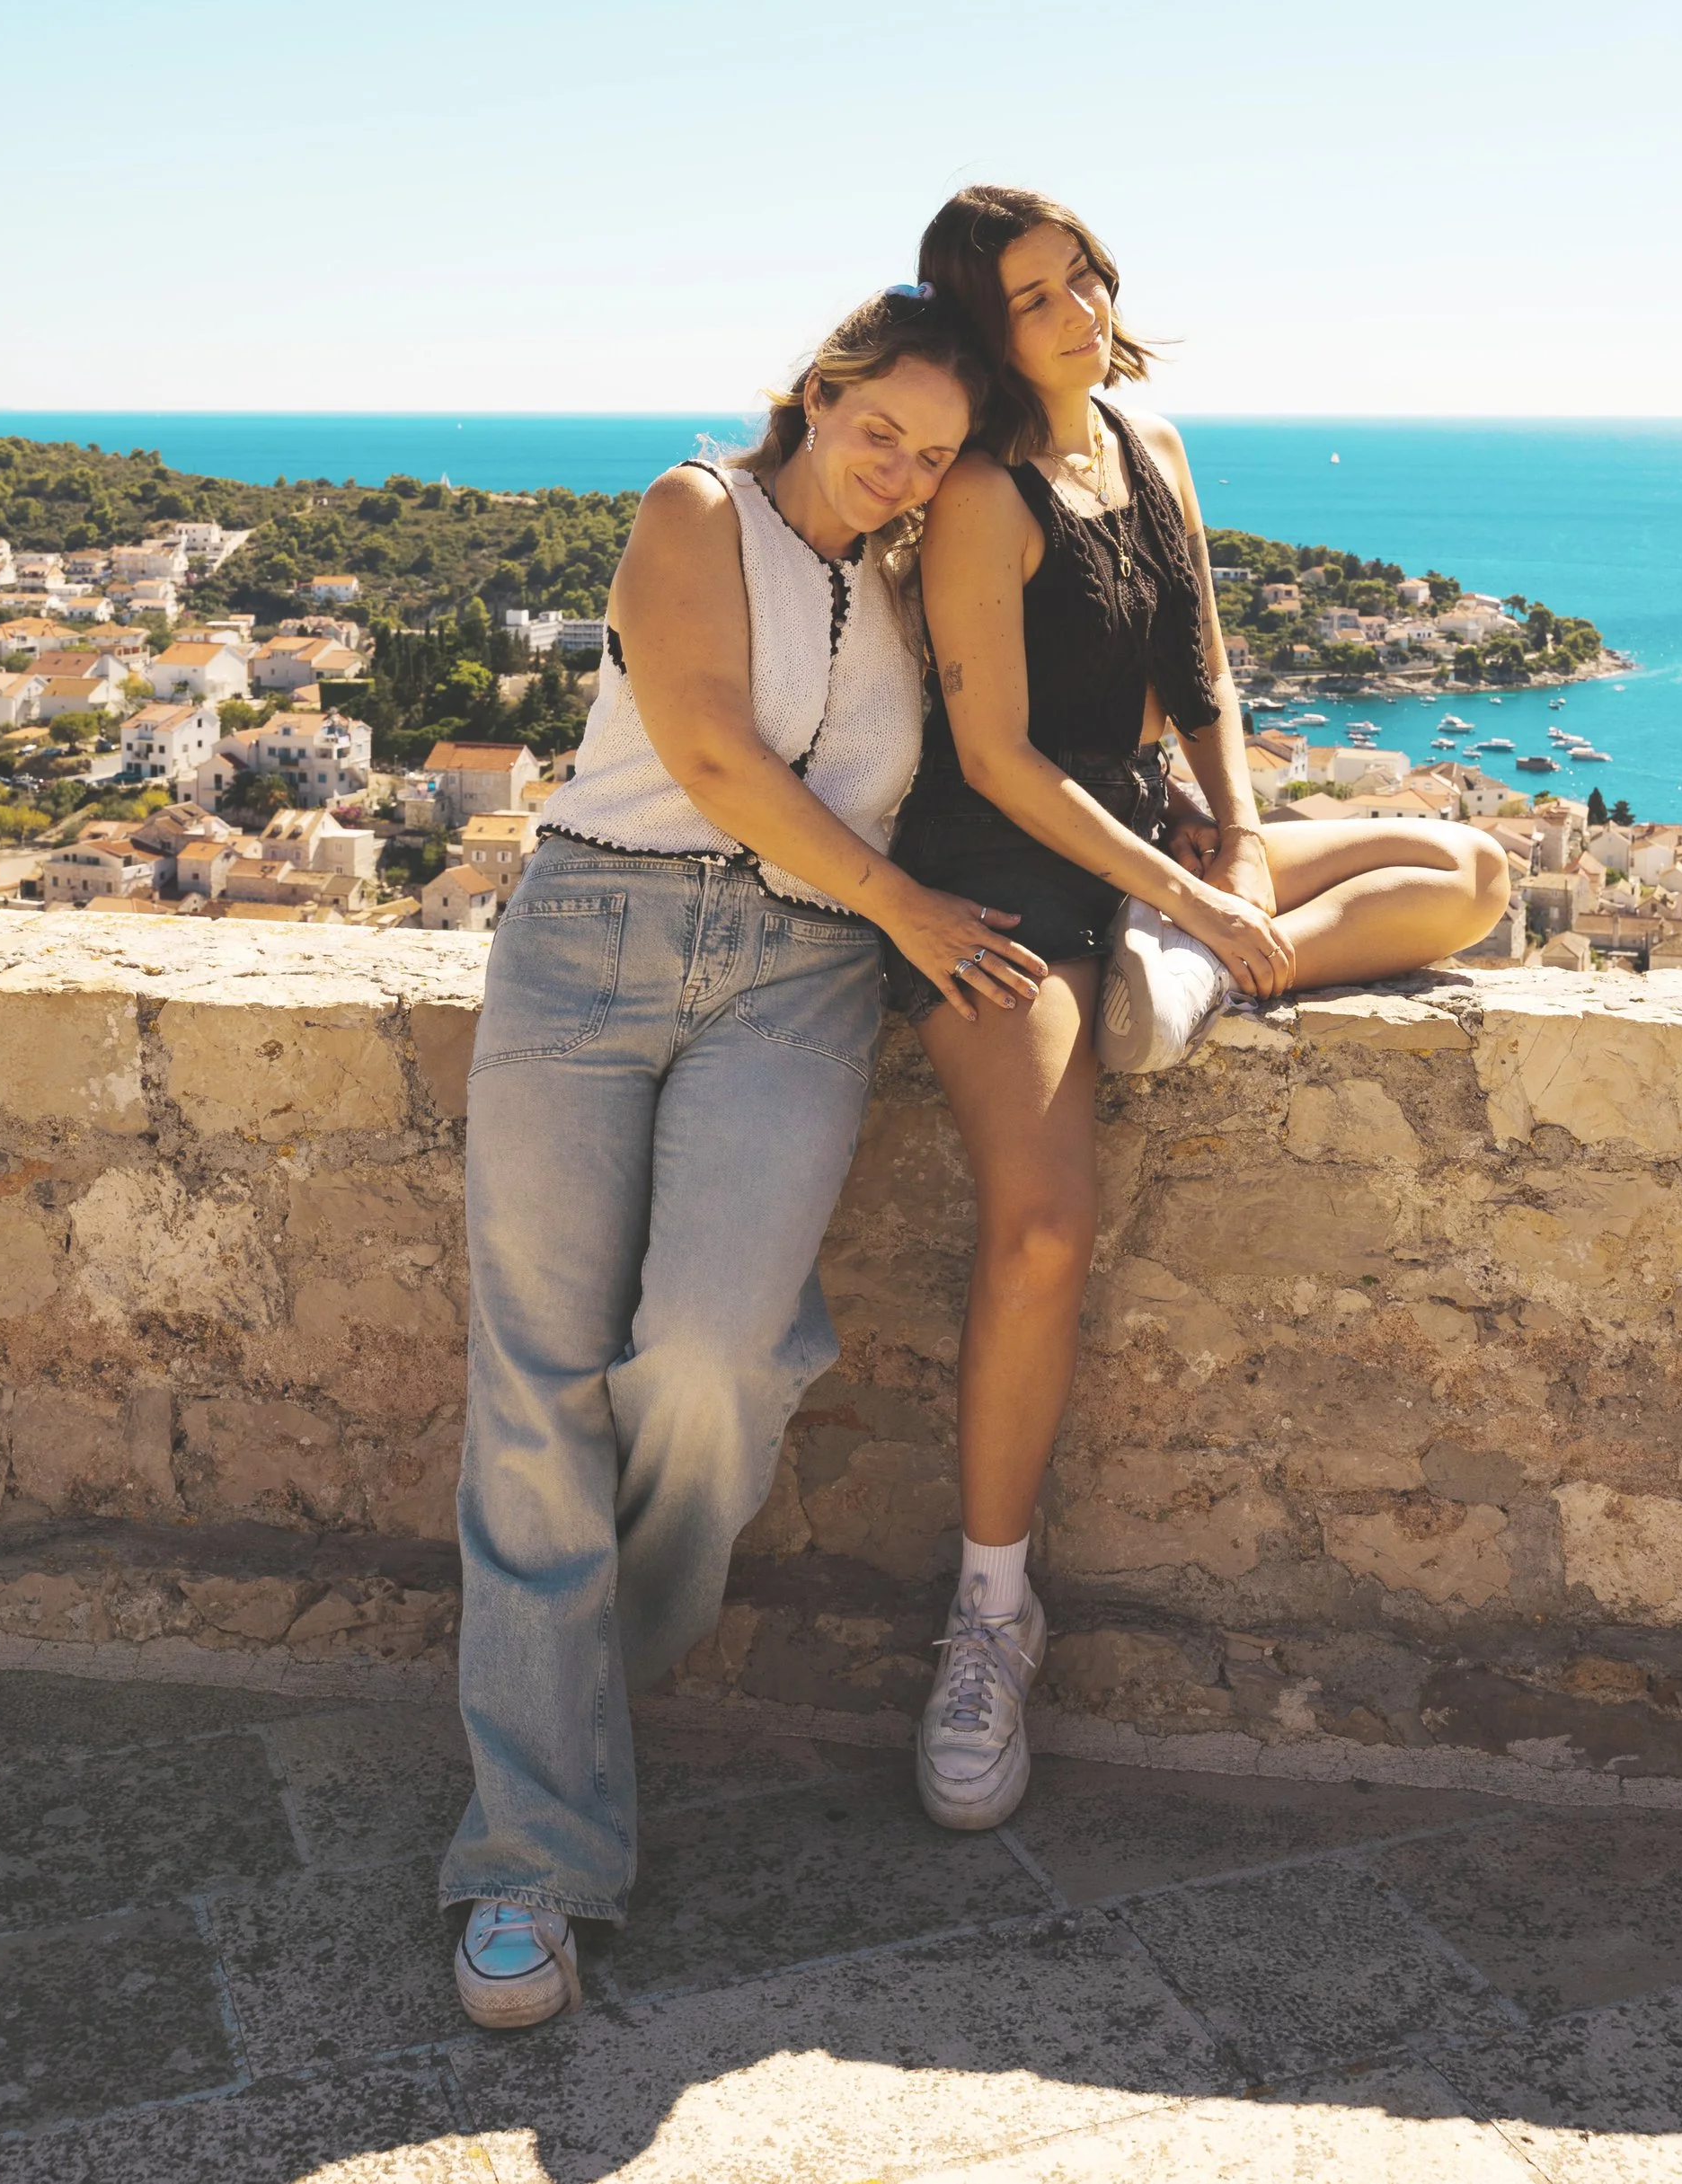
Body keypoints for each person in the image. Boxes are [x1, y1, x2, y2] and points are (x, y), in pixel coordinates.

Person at [439, 285, 1044, 2029]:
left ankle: (570, 1688)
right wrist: (907, 908)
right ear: (814, 392)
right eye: (881, 432)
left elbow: (1008, 732)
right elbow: (703, 748)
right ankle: (526, 1864)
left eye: (932, 457)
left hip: (795, 972)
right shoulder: (696, 509)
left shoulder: (911, 577)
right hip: (591, 943)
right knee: (536, 1393)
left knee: (710, 1360)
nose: (901, 473)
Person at [889, 184, 1510, 1830]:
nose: (1078, 309)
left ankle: (1192, 983)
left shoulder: (1151, 447)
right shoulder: (979, 497)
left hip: (1156, 848)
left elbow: (1212, 669)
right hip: (1008, 874)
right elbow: (999, 758)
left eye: (1081, 274)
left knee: (1471, 872)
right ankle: (990, 1622)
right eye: (1034, 297)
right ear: (982, 321)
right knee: (1039, 1230)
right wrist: (1186, 896)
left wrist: (1229, 845)